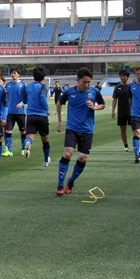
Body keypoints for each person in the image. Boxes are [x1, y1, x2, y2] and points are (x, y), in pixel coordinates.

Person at [55, 67, 106, 196]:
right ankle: (60, 184)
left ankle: (71, 182)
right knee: (67, 154)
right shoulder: (69, 92)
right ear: (77, 80)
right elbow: (59, 103)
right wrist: (60, 120)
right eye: (84, 82)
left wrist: (95, 107)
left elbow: (103, 104)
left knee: (82, 158)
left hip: (87, 130)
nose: (87, 84)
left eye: (89, 82)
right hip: (72, 128)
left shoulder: (94, 92)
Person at [21, 66, 52, 166]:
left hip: (30, 116)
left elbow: (25, 100)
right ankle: (46, 160)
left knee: (29, 136)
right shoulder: (43, 87)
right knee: (45, 140)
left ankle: (28, 143)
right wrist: (47, 109)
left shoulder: (28, 87)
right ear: (43, 77)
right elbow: (42, 97)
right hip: (42, 116)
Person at [3, 68, 27, 157]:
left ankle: (24, 149)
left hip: (20, 112)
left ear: (18, 74)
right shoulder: (8, 86)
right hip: (10, 112)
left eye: (15, 73)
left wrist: (21, 103)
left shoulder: (23, 85)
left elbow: (26, 98)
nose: (13, 75)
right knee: (8, 131)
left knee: (23, 131)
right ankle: (9, 150)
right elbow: (4, 99)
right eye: (12, 73)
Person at [110, 69, 131, 153]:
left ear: (127, 77)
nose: (123, 78)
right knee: (123, 129)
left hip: (131, 111)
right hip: (121, 111)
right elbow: (114, 99)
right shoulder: (117, 87)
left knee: (135, 128)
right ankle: (126, 145)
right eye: (121, 76)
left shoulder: (132, 86)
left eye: (124, 76)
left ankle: (136, 144)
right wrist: (113, 110)